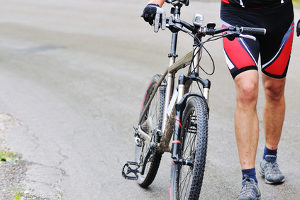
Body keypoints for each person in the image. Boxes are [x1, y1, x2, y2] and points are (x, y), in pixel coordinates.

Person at [141, 0, 294, 199]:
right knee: (247, 89)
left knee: (274, 89)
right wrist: (155, 2)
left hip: (279, 18)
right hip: (238, 14)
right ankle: (249, 180)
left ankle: (270, 157)